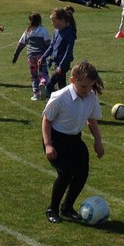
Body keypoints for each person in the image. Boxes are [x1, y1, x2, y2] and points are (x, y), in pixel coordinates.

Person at [41, 61, 105, 225]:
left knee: (82, 173)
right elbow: (47, 121)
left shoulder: (91, 96)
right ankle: (52, 209)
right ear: (72, 80)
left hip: (74, 138)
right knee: (65, 174)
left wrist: (98, 142)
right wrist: (48, 145)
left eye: (90, 86)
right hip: (56, 139)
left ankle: (67, 207)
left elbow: (91, 121)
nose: (87, 90)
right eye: (83, 87)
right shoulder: (61, 97)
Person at [12, 12, 51, 101]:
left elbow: (20, 44)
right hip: (41, 57)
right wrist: (52, 54)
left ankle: (36, 95)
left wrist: (15, 55)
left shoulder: (27, 32)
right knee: (43, 74)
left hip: (31, 57)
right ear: (40, 20)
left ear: (30, 21)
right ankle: (43, 83)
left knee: (34, 76)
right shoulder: (44, 30)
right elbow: (48, 44)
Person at [44, 6, 77, 94]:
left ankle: (46, 93)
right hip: (57, 62)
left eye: (54, 21)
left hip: (64, 63)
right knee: (61, 84)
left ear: (62, 20)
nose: (52, 23)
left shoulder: (69, 33)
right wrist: (44, 57)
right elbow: (51, 46)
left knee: (52, 82)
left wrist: (61, 66)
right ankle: (67, 98)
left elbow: (68, 51)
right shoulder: (56, 31)